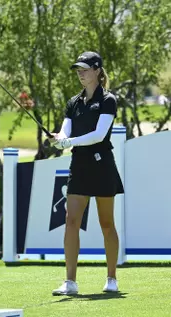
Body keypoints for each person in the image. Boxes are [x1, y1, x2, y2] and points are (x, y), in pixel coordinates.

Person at [48, 51, 124, 296]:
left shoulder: (108, 100)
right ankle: (70, 282)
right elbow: (64, 131)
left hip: (102, 166)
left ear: (97, 70)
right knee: (71, 221)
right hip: (79, 166)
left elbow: (99, 135)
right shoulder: (74, 102)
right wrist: (59, 139)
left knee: (106, 223)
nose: (80, 73)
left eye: (85, 69)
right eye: (78, 70)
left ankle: (111, 277)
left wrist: (69, 141)